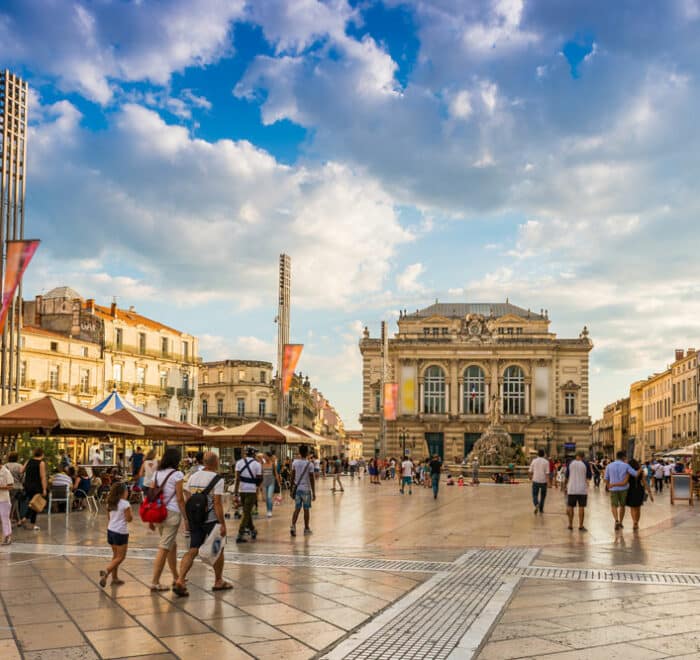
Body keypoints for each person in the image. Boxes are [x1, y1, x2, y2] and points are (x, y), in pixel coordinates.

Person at [173, 452, 231, 597]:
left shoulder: (193, 476)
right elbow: (217, 503)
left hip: (195, 519)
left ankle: (180, 579)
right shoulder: (217, 479)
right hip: (211, 520)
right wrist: (222, 524)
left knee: (192, 549)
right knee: (219, 548)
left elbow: (188, 496)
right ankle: (218, 581)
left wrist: (188, 518)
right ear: (215, 462)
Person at [149, 448, 187, 592]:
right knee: (164, 547)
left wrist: (151, 518)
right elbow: (179, 498)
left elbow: (151, 496)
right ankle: (155, 581)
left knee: (172, 545)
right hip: (172, 513)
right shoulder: (177, 474)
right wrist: (186, 518)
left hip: (158, 512)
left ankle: (176, 576)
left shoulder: (157, 473)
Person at [100, 482, 132, 587]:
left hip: (111, 530)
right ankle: (106, 571)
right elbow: (129, 519)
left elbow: (109, 518)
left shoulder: (110, 502)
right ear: (123, 492)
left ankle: (115, 578)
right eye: (127, 491)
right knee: (121, 557)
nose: (128, 493)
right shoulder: (125, 504)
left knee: (115, 556)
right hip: (121, 532)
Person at [613, 459, 654, 531]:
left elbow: (625, 482)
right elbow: (645, 483)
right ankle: (636, 523)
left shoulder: (628, 472)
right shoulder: (641, 472)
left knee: (632, 508)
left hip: (630, 491)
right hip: (639, 490)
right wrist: (650, 493)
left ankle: (634, 521)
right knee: (638, 508)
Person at [604, 450, 638, 530]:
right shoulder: (626, 465)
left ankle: (616, 520)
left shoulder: (609, 465)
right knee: (622, 506)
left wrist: (608, 486)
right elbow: (635, 474)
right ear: (623, 457)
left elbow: (606, 478)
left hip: (613, 488)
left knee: (614, 505)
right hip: (623, 489)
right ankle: (621, 522)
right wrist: (640, 469)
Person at [234, 447, 262, 543]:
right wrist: (257, 489)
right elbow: (259, 479)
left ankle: (253, 530)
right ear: (254, 454)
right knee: (246, 512)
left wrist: (235, 492)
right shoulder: (257, 464)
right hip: (251, 491)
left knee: (247, 511)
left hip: (242, 490)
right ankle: (240, 533)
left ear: (245, 454)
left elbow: (237, 479)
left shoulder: (239, 463)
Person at [290, 445, 315, 536]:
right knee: (306, 509)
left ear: (300, 452)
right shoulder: (310, 464)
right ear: (307, 453)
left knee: (297, 508)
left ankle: (293, 526)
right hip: (306, 490)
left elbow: (292, 477)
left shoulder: (295, 463)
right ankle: (306, 528)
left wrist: (291, 489)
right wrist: (314, 492)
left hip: (297, 490)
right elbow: (312, 479)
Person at [21, 448, 47, 530]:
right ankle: (26, 518)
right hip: (36, 486)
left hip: (28, 485)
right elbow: (42, 477)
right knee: (35, 504)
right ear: (42, 454)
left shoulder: (28, 461)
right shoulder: (41, 463)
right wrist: (44, 489)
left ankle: (31, 523)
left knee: (33, 503)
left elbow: (21, 470)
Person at [565, 451, 592, 531]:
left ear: (576, 456)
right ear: (583, 457)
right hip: (582, 489)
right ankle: (580, 526)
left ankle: (570, 525)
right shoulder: (586, 464)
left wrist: (564, 486)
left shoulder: (570, 463)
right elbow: (589, 476)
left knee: (570, 507)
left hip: (571, 488)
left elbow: (566, 476)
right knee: (581, 507)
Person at [529, 449, 550, 514]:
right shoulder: (546, 462)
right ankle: (541, 509)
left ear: (537, 454)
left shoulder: (534, 461)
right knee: (543, 496)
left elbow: (530, 471)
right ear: (544, 454)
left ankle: (536, 504)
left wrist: (530, 477)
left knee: (534, 494)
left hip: (535, 480)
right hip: (543, 481)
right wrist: (548, 482)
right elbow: (547, 473)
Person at [261, 450, 281, 518]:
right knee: (266, 498)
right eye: (263, 456)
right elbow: (261, 475)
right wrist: (260, 484)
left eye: (265, 456)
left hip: (271, 482)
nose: (264, 457)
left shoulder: (273, 464)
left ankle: (269, 511)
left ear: (269, 457)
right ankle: (268, 510)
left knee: (269, 497)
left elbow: (276, 474)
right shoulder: (262, 465)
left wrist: (278, 483)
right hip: (264, 483)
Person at [5, 452, 23, 523]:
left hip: (7, 487)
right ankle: (9, 519)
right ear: (17, 458)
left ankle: (18, 520)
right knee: (14, 503)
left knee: (13, 503)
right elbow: (23, 477)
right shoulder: (20, 466)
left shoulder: (5, 466)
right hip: (17, 487)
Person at [0, 455, 14, 544]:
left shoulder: (6, 472)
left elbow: (10, 486)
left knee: (4, 517)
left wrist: (1, 487)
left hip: (3, 498)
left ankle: (7, 536)